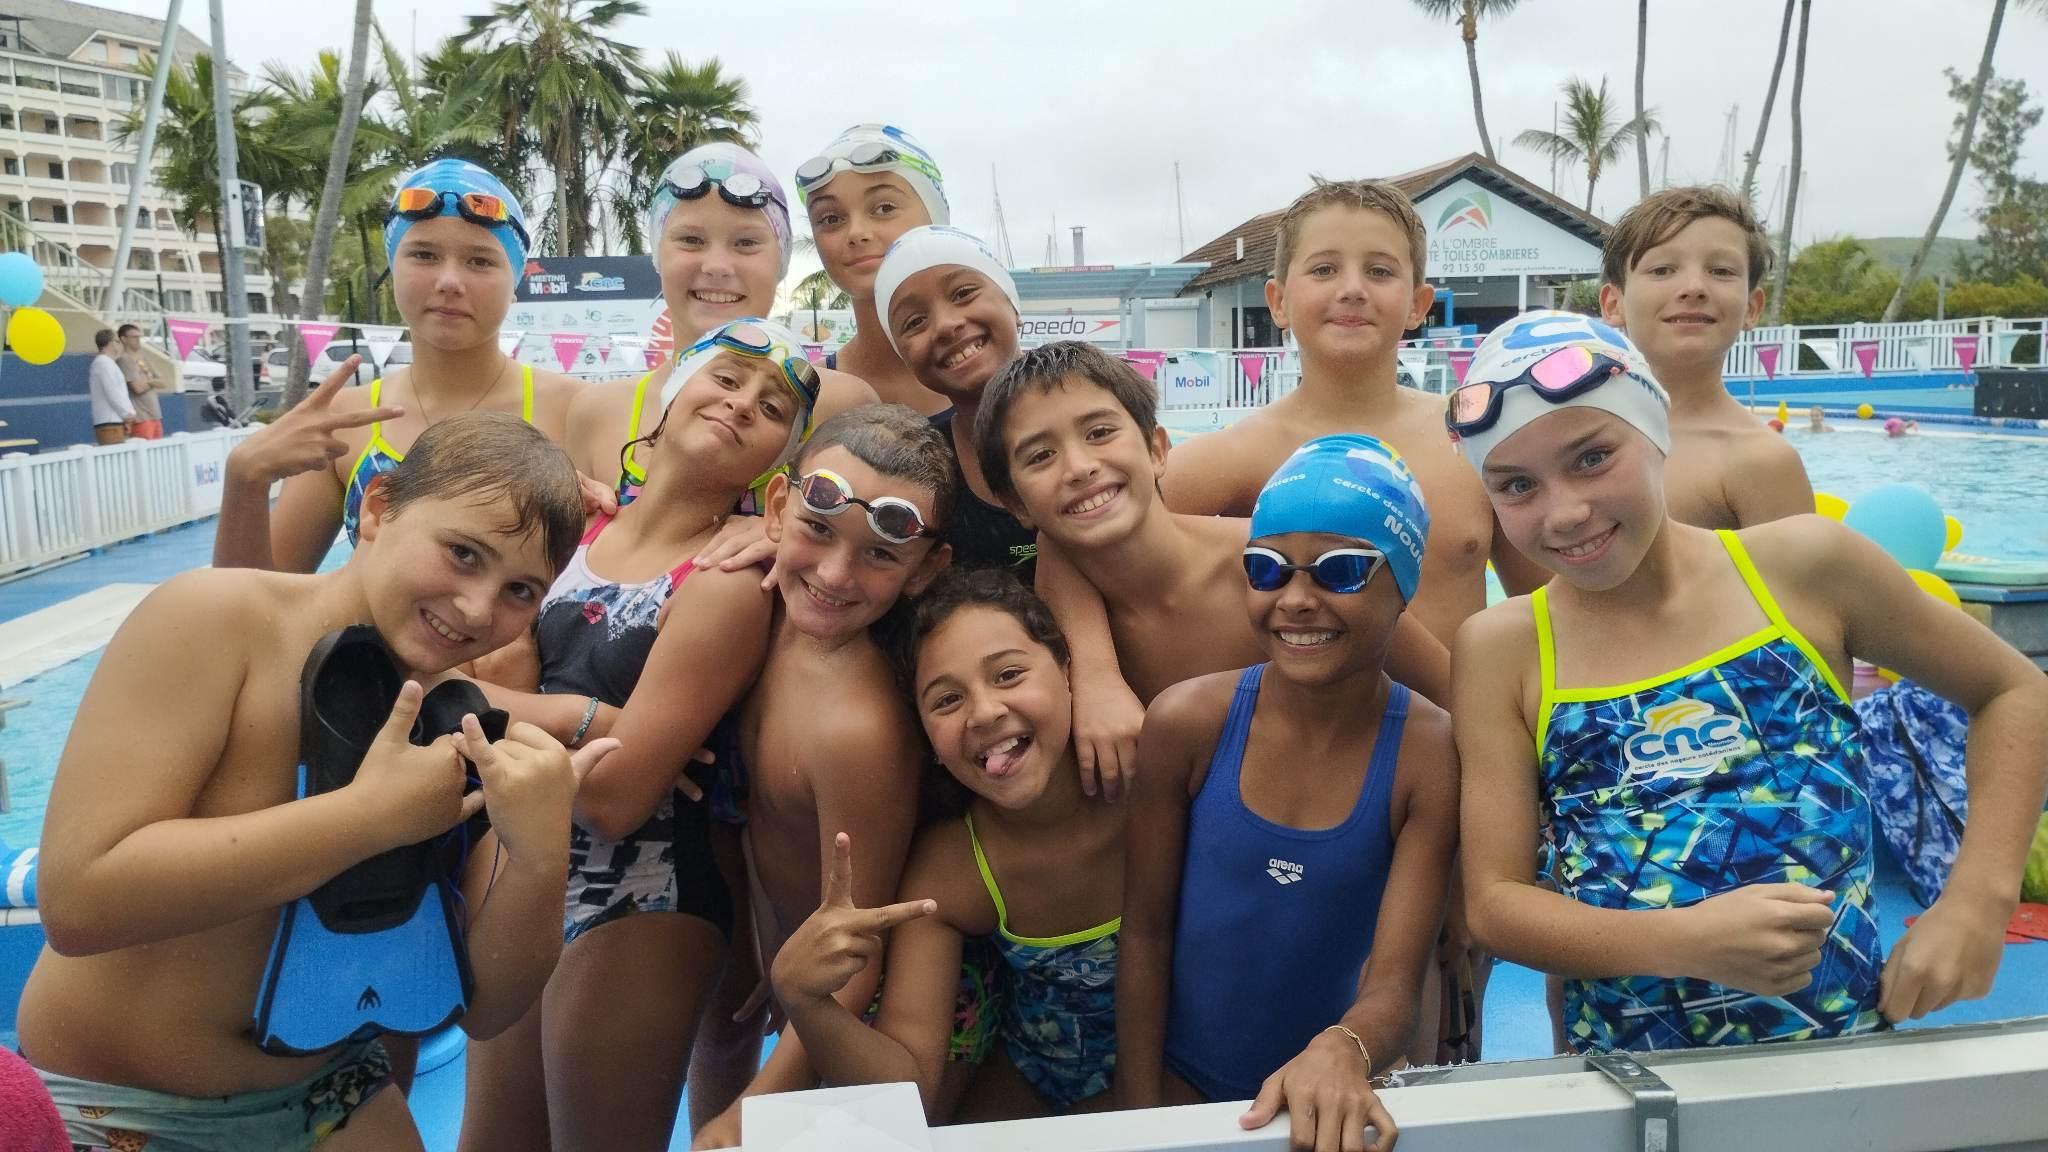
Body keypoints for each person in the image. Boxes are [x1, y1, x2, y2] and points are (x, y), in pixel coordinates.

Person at [1450, 310, 2048, 1054]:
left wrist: (1978, 901)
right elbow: (1496, 904)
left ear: (1656, 431)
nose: (1565, 512)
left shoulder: (1800, 570)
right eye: (1516, 486)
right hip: (1620, 1079)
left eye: (1592, 458)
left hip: (1839, 1050)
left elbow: (2013, 690)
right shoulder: (1505, 649)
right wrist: (1682, 940)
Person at [17, 412, 603, 1151]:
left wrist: (543, 854)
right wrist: (364, 819)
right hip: (113, 1103)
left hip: (331, 1093)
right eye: (461, 553)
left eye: (521, 591)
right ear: (379, 508)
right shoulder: (215, 620)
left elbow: (487, 1009)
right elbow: (78, 903)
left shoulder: (460, 721)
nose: (479, 607)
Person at [456, 320, 818, 1152]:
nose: (739, 406)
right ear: (670, 388)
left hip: (643, 895)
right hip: (519, 867)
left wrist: (536, 712)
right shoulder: (571, 532)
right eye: (725, 379)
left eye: (769, 409)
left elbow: (616, 798)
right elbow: (459, 691)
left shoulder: (726, 582)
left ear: (775, 464)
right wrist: (593, 721)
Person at [1118, 435, 1458, 1152]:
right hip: (1184, 1090)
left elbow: (1397, 983)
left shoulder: (1428, 754)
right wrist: (1140, 1112)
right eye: (1267, 569)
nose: (1297, 600)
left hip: (1334, 1105)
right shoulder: (1188, 724)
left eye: (1341, 570)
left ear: (1403, 582)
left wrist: (1345, 1048)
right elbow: (1145, 935)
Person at [689, 406, 958, 1147]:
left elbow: (853, 953)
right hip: (771, 963)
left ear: (925, 570)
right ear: (778, 506)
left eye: (879, 556)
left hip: (844, 1018)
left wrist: (748, 1114)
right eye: (818, 529)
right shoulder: (760, 615)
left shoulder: (857, 730)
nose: (837, 575)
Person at [769, 569, 1125, 1121]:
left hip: (1200, 1078)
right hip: (1041, 1083)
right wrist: (805, 1000)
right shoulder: (952, 868)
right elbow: (910, 1089)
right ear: (930, 743)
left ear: (1070, 672)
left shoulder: (1158, 788)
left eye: (1008, 674)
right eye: (947, 700)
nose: (983, 712)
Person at [974, 341, 1449, 708]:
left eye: (1099, 433)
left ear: (1158, 449)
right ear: (1014, 503)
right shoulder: (1040, 623)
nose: (1078, 467)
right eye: (1041, 456)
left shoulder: (1278, 567)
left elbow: (1447, 690)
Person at [215, 158, 589, 574]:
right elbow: (253, 603)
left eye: (480, 261)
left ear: (514, 282)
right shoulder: (343, 421)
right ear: (394, 270)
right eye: (424, 255)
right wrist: (244, 480)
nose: (449, 280)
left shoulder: (579, 412)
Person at [566, 143, 876, 510]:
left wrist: (775, 533)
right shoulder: (597, 411)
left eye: (746, 242)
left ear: (781, 262)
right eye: (691, 240)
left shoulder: (842, 405)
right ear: (657, 255)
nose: (716, 266)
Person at [1600, 186, 1815, 529]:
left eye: (1721, 271)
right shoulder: (1565, 428)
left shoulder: (1762, 462)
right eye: (1662, 269)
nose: (1694, 287)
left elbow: (1792, 583)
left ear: (1752, 307)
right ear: (1614, 304)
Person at [795, 124, 955, 415]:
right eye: (830, 218)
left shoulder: (1014, 384)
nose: (856, 233)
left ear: (935, 216)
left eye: (883, 208)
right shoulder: (803, 396)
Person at [115, 323, 166, 440]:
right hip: (141, 417)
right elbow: (137, 388)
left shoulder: (143, 358)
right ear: (123, 339)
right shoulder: (124, 360)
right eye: (134, 337)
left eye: (139, 337)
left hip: (155, 415)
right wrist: (152, 382)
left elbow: (163, 382)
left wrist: (148, 382)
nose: (138, 340)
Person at [87, 328, 135, 446]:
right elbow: (113, 392)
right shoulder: (103, 364)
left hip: (114, 420)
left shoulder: (106, 363)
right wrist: (127, 414)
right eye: (117, 341)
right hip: (110, 422)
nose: (119, 345)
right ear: (110, 343)